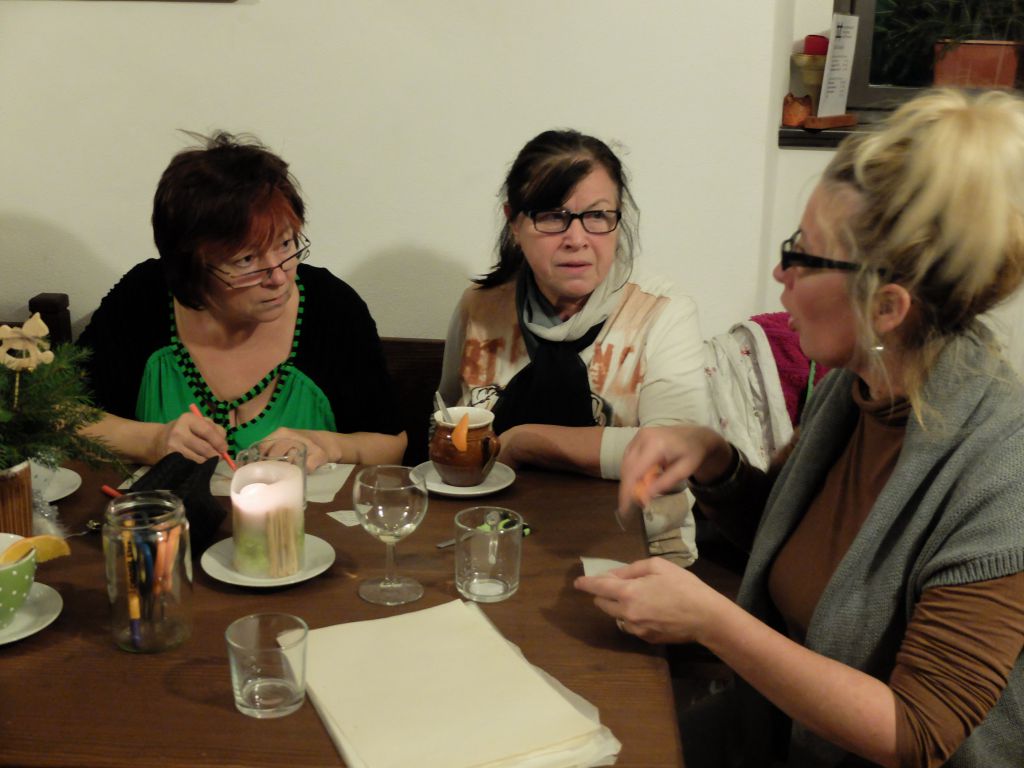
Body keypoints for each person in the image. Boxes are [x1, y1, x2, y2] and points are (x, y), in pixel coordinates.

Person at [576, 88, 1024, 768]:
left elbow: (916, 733)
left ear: (887, 308)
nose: (781, 273)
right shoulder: (857, 384)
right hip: (776, 730)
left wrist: (711, 621)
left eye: (805, 256)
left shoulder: (1003, 471)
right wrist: (715, 461)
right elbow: (804, 553)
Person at [78, 132, 406, 470]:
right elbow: (60, 414)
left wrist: (327, 445)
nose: (278, 277)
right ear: (190, 267)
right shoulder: (143, 298)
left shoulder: (332, 308)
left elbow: (391, 447)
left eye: (286, 244)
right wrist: (153, 441)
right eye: (246, 260)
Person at [437, 129, 708, 481]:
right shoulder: (480, 307)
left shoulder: (661, 312)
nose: (577, 239)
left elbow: (677, 452)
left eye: (597, 216)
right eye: (552, 216)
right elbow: (446, 423)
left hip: (633, 517)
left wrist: (523, 442)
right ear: (514, 223)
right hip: (492, 514)